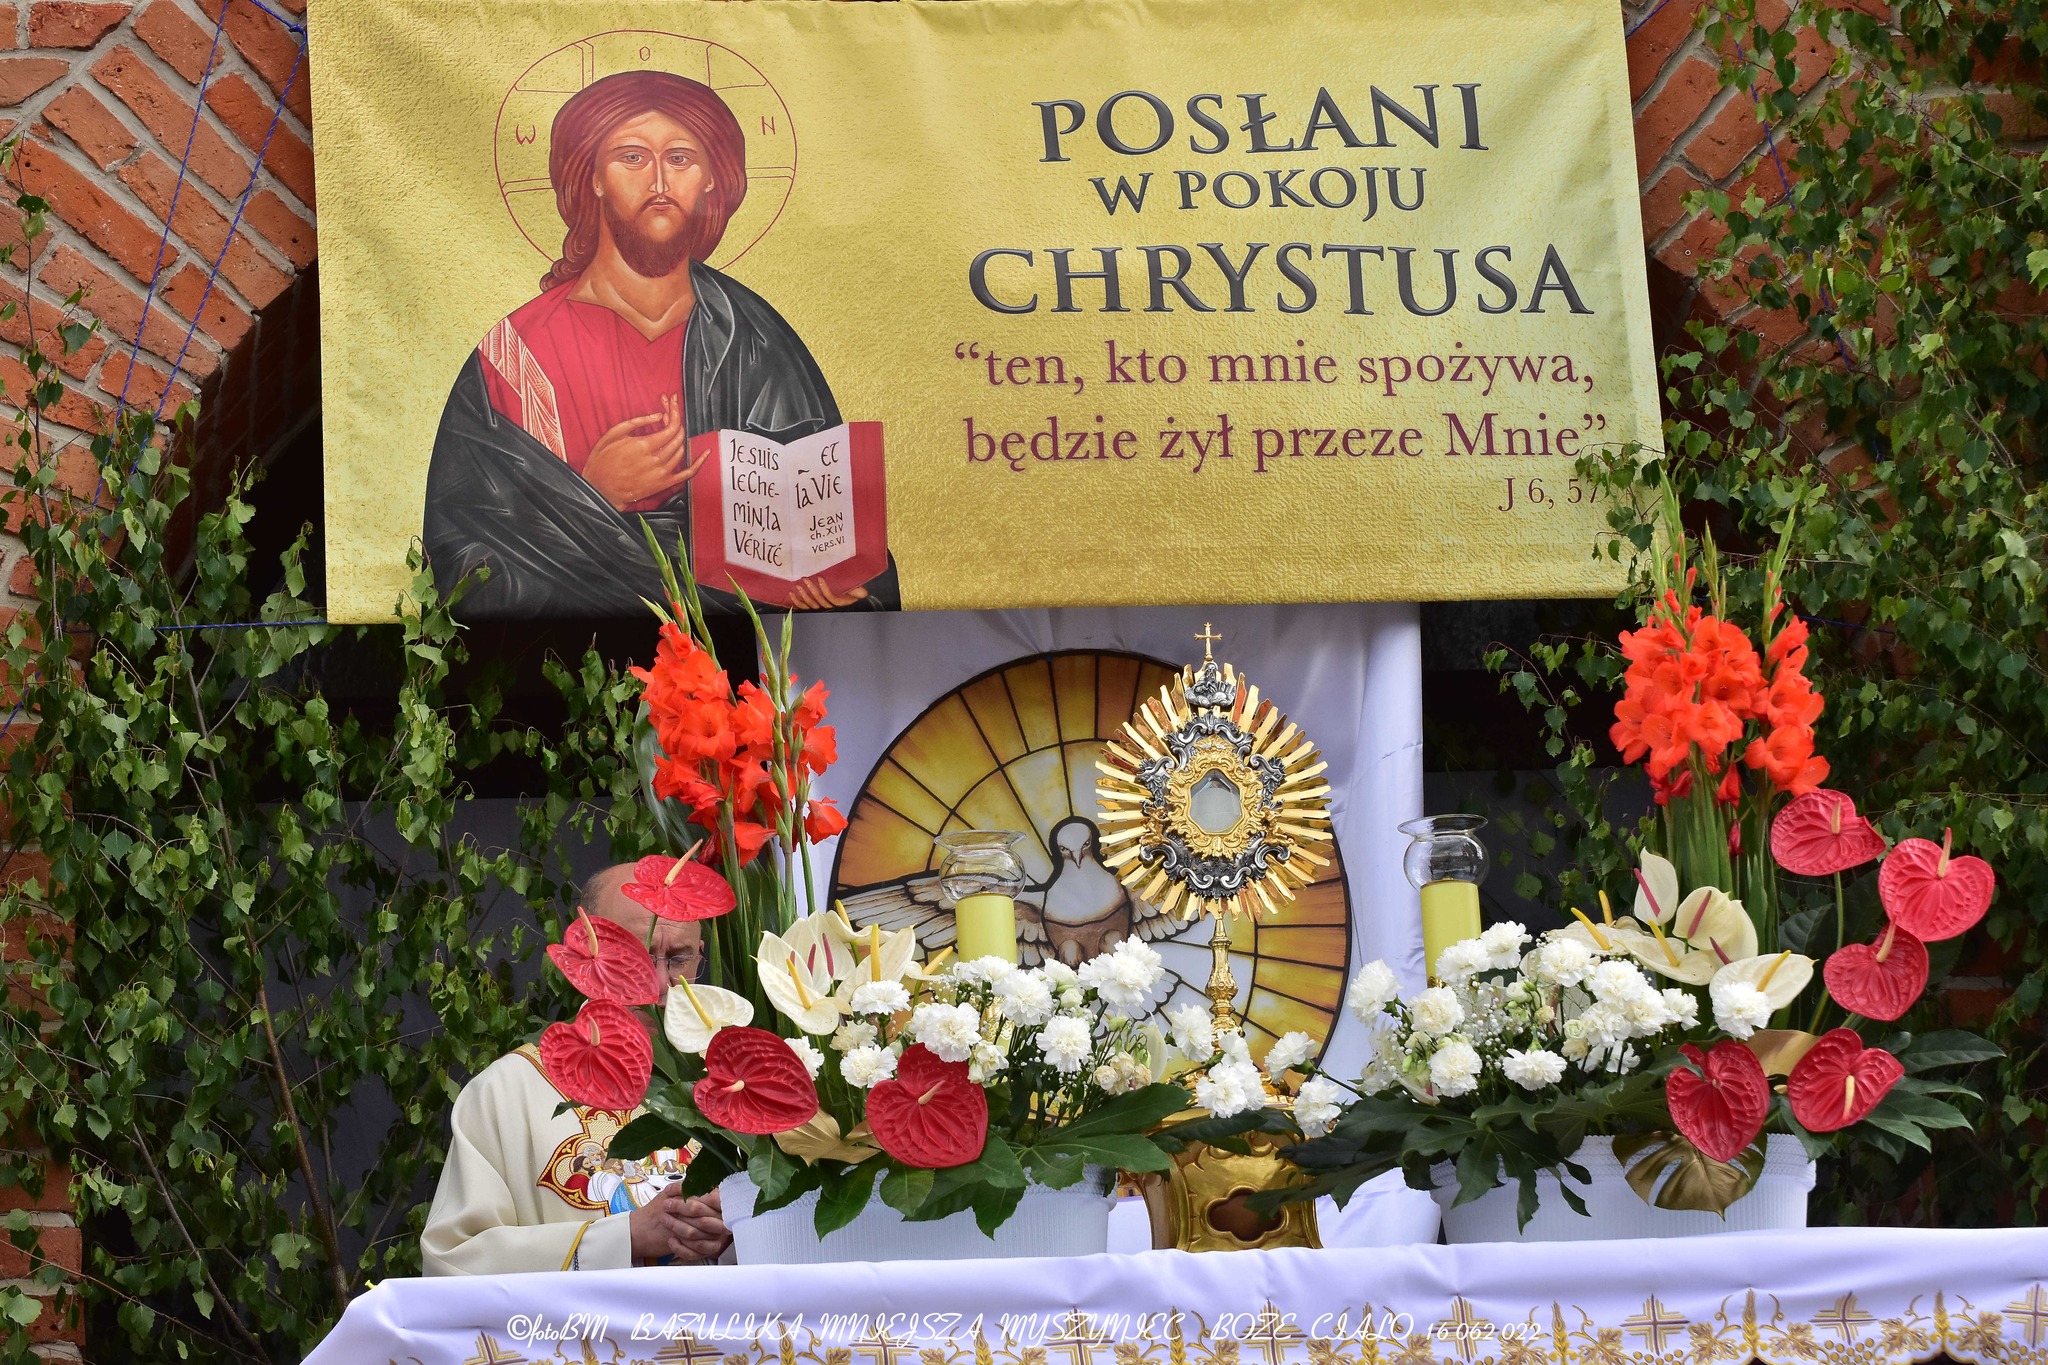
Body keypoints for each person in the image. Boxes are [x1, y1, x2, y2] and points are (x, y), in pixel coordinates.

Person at [423, 68, 900, 617]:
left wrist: (831, 581)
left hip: (737, 656)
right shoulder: (514, 354)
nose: (658, 183)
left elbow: (832, 523)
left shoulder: (755, 339)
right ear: (593, 177)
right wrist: (590, 495)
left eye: (680, 158)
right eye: (632, 157)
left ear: (711, 180)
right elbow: (459, 554)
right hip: (568, 657)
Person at [419, 865, 731, 1274]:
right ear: (587, 952)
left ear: (700, 954)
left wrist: (739, 1228)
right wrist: (624, 1237)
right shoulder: (507, 1092)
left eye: (678, 959)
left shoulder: (735, 1084)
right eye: (634, 956)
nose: (657, 986)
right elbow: (451, 1260)